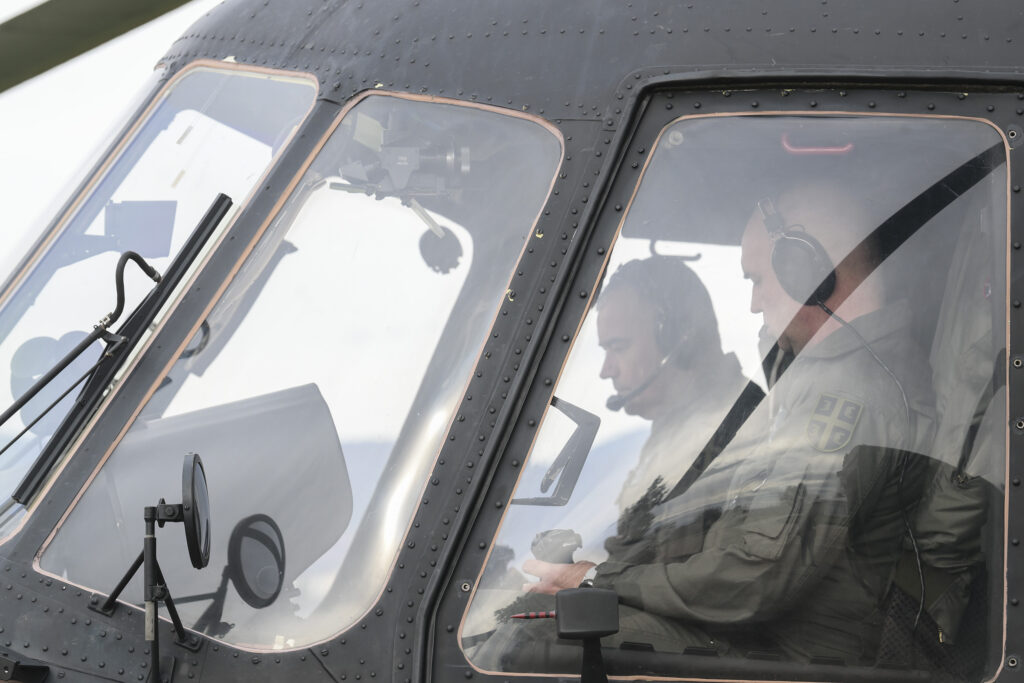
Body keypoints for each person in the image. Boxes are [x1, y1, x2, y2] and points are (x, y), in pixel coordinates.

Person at [473, 182, 936, 672]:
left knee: (530, 635)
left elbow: (756, 575)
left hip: (787, 652)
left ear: (810, 273)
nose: (754, 304)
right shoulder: (821, 384)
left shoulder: (845, 394)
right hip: (760, 635)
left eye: (758, 279)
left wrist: (596, 580)